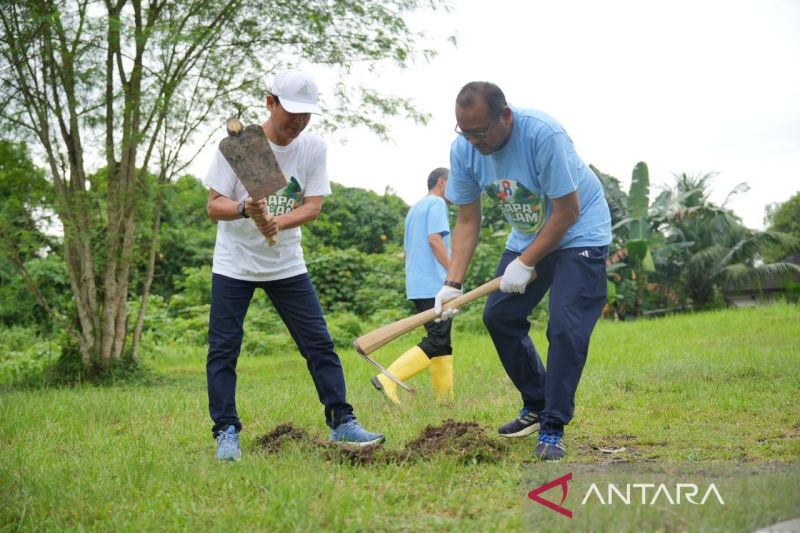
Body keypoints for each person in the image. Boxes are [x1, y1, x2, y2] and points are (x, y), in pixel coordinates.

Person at [203, 68, 385, 461]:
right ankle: (226, 432)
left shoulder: (313, 148)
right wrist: (244, 208)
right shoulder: (239, 146)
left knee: (319, 344)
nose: (299, 124)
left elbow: (313, 206)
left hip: (287, 264)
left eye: (306, 116)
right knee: (223, 349)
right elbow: (213, 205)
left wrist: (275, 221)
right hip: (234, 264)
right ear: (270, 103)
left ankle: (342, 423)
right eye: (292, 115)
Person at [435, 82, 611, 461]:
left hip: (580, 233)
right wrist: (452, 282)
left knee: (565, 325)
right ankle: (536, 403)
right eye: (463, 132)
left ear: (506, 116)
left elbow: (568, 212)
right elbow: (467, 219)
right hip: (530, 234)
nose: (473, 142)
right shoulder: (464, 149)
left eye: (479, 132)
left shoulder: (543, 135)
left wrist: (527, 262)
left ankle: (552, 425)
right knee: (499, 316)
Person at [371, 167, 454, 404]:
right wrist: (453, 274)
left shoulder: (415, 208)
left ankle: (445, 400)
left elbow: (407, 252)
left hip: (418, 284)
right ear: (442, 182)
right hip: (434, 284)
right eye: (454, 183)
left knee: (441, 340)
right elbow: (435, 239)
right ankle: (387, 378)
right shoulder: (437, 204)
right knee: (437, 339)